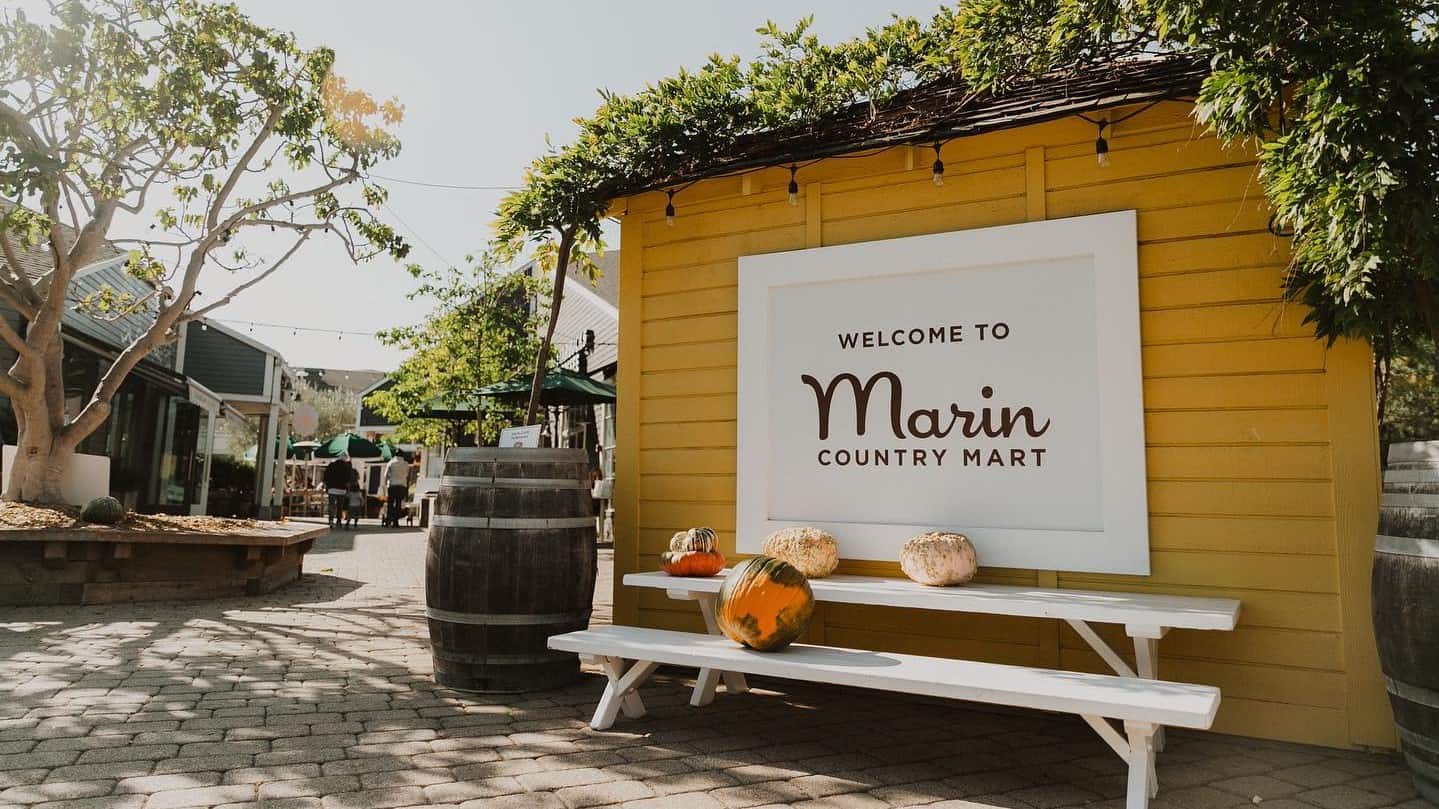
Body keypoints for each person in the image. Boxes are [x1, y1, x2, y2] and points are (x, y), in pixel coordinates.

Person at [322, 453, 352, 528]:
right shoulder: (347, 466)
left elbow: (325, 476)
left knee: (331, 505)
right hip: (342, 490)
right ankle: (339, 521)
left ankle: (331, 520)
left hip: (332, 489)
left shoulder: (331, 465)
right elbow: (349, 479)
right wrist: (348, 489)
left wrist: (326, 485)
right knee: (340, 506)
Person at [382, 452, 409, 527]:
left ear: (395, 455)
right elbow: (406, 474)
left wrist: (385, 484)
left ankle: (388, 520)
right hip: (402, 485)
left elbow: (385, 475)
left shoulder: (391, 463)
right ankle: (395, 521)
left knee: (390, 503)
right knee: (398, 503)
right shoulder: (406, 464)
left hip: (392, 485)